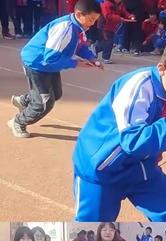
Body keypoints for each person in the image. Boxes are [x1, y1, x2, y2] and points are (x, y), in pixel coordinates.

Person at [73, 38, 166, 222]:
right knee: (94, 226)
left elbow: (151, 137)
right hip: (101, 169)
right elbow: (132, 140)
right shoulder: (138, 86)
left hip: (141, 168)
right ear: (162, 70)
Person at [8, 0, 102, 138]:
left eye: (95, 20)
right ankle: (18, 121)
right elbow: (50, 59)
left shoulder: (79, 27)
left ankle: (24, 100)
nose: (92, 23)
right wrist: (76, 64)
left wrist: (91, 58)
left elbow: (81, 46)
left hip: (49, 63)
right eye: (91, 19)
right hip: (37, 63)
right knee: (45, 104)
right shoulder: (65, 28)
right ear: (79, 14)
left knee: (56, 94)